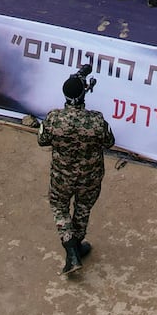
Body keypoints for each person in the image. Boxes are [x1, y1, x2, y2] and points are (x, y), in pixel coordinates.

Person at [37, 65, 115, 276]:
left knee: (59, 206)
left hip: (62, 176)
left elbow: (42, 141)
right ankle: (77, 246)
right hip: (90, 177)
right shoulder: (97, 120)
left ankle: (70, 248)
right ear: (83, 95)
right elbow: (110, 142)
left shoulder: (54, 118)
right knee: (83, 208)